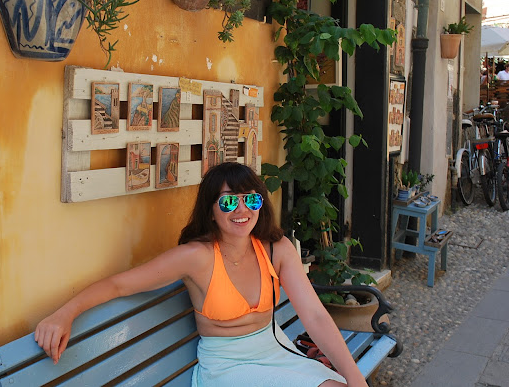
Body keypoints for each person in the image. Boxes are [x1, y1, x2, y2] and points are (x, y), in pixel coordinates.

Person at [35, 162, 368, 387]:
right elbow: (119, 285)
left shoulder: (276, 249)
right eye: (228, 202)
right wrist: (65, 313)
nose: (242, 210)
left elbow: (315, 316)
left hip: (275, 350)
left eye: (251, 200)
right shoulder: (196, 258)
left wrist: (356, 379)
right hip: (228, 368)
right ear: (210, 210)